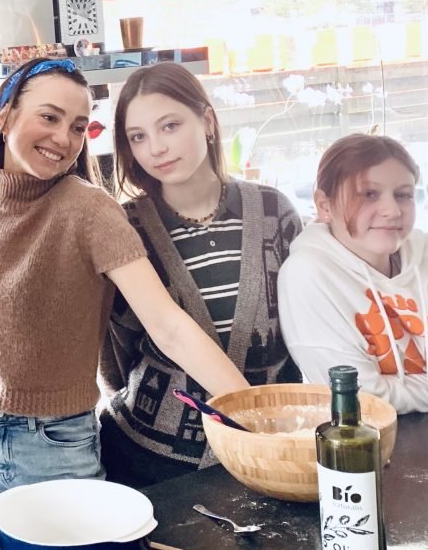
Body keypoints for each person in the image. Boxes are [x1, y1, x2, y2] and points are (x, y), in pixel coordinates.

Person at [0, 57, 249, 507]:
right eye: (49, 117)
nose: (63, 139)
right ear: (5, 115)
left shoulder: (89, 209)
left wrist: (252, 410)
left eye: (78, 127)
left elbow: (168, 325)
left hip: (55, 442)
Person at [100, 62, 303, 486]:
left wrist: (268, 422)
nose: (156, 148)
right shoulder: (124, 228)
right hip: (152, 455)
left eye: (170, 126)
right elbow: (115, 353)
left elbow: (300, 330)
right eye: (138, 137)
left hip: (274, 443)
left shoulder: (274, 211)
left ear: (207, 121)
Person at [278, 133, 428, 413]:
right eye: (369, 194)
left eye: (403, 195)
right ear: (325, 206)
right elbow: (360, 399)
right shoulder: (307, 276)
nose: (392, 211)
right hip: (374, 438)